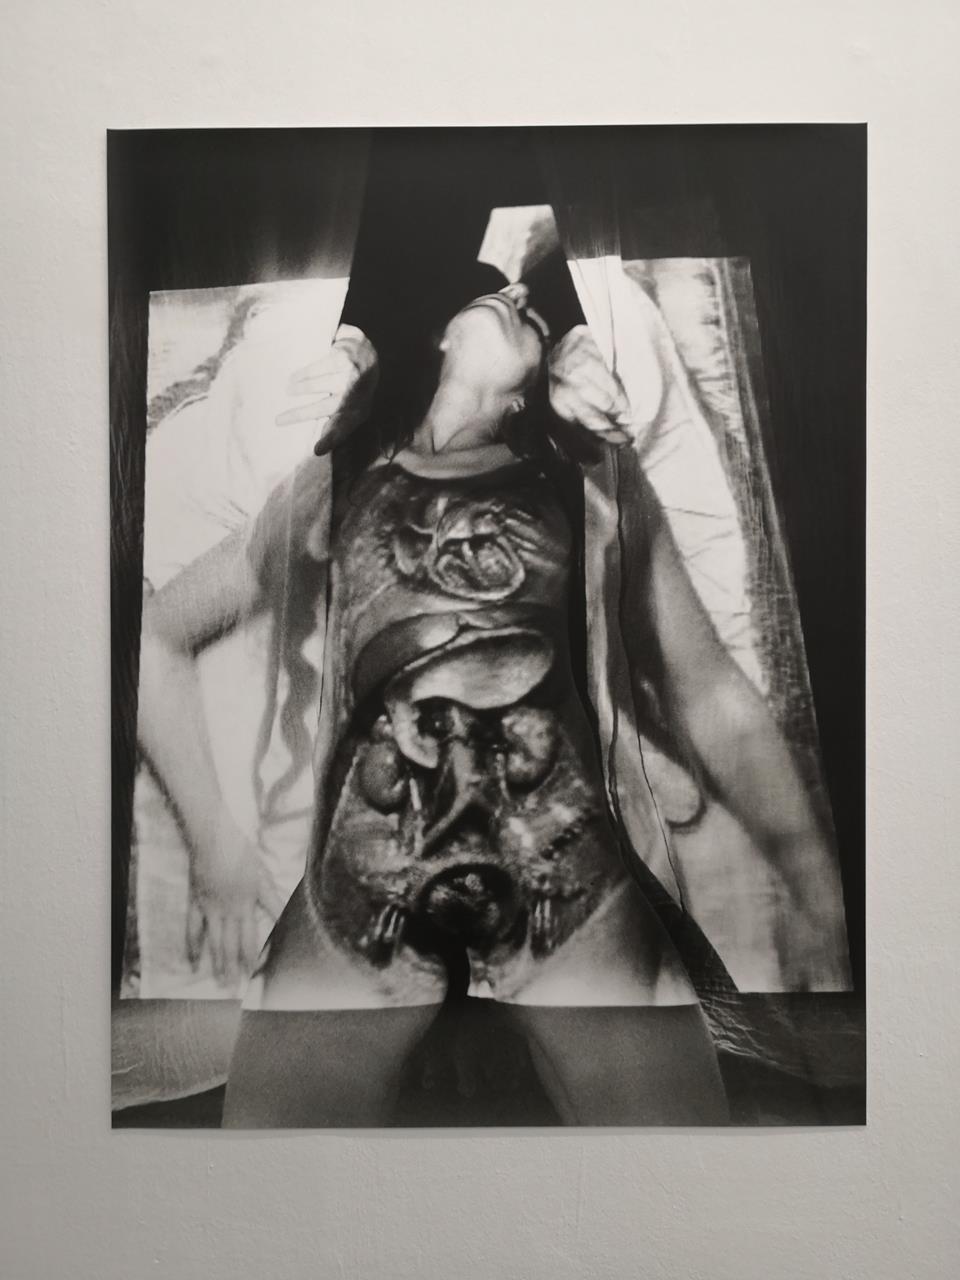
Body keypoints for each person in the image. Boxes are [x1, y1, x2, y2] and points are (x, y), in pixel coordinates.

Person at [139, 278, 849, 1125]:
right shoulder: (336, 478)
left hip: (562, 873)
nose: (516, 291)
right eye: (492, 292)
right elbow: (155, 640)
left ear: (539, 383)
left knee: (676, 1179)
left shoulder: (593, 483)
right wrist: (216, 849)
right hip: (367, 875)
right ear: (433, 338)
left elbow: (707, 689)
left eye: (534, 308)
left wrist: (816, 887)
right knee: (269, 1190)